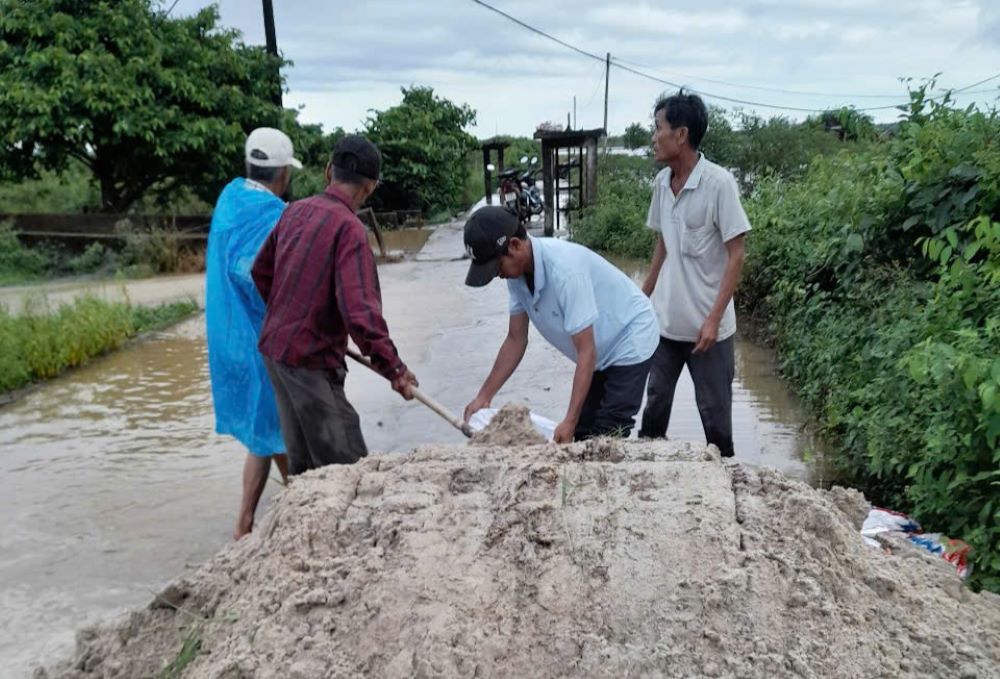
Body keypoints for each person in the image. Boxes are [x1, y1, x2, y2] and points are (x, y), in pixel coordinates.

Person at [251, 135, 418, 475]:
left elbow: (261, 272)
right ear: (371, 186)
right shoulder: (350, 229)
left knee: (304, 466)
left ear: (329, 171)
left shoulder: (294, 211)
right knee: (349, 468)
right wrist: (395, 370)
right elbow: (361, 316)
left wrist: (290, 316)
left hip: (275, 352)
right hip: (309, 360)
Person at [462, 206, 659, 443]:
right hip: (598, 347)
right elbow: (516, 339)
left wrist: (569, 420)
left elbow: (586, 351)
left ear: (515, 245)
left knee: (609, 429)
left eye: (497, 267)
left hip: (630, 334)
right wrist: (484, 396)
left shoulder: (566, 272)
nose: (498, 275)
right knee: (584, 431)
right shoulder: (516, 275)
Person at [638, 92, 751, 457]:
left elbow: (736, 254)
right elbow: (663, 242)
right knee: (654, 410)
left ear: (681, 134)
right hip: (667, 326)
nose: (654, 138)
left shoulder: (718, 184)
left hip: (709, 333)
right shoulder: (661, 183)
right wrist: (642, 297)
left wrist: (714, 319)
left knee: (717, 423)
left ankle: (727, 478)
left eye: (658, 128)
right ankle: (647, 474)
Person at [205, 127, 300, 540]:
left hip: (228, 338)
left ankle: (267, 512)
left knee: (266, 431)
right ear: (283, 173)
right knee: (274, 429)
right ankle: (264, 517)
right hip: (259, 341)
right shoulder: (272, 215)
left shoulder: (229, 200)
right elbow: (253, 276)